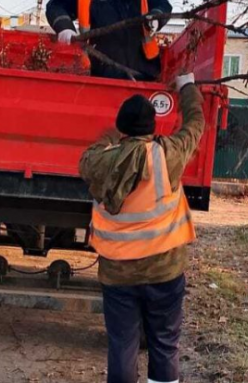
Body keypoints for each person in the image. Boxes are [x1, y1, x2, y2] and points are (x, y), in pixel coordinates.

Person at [79, 73, 205, 383]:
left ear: (122, 127)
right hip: (164, 270)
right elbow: (195, 125)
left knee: (122, 344)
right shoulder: (168, 155)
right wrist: (187, 87)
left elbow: (93, 152)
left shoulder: (97, 162)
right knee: (163, 345)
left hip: (118, 273)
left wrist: (111, 137)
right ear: (152, 128)